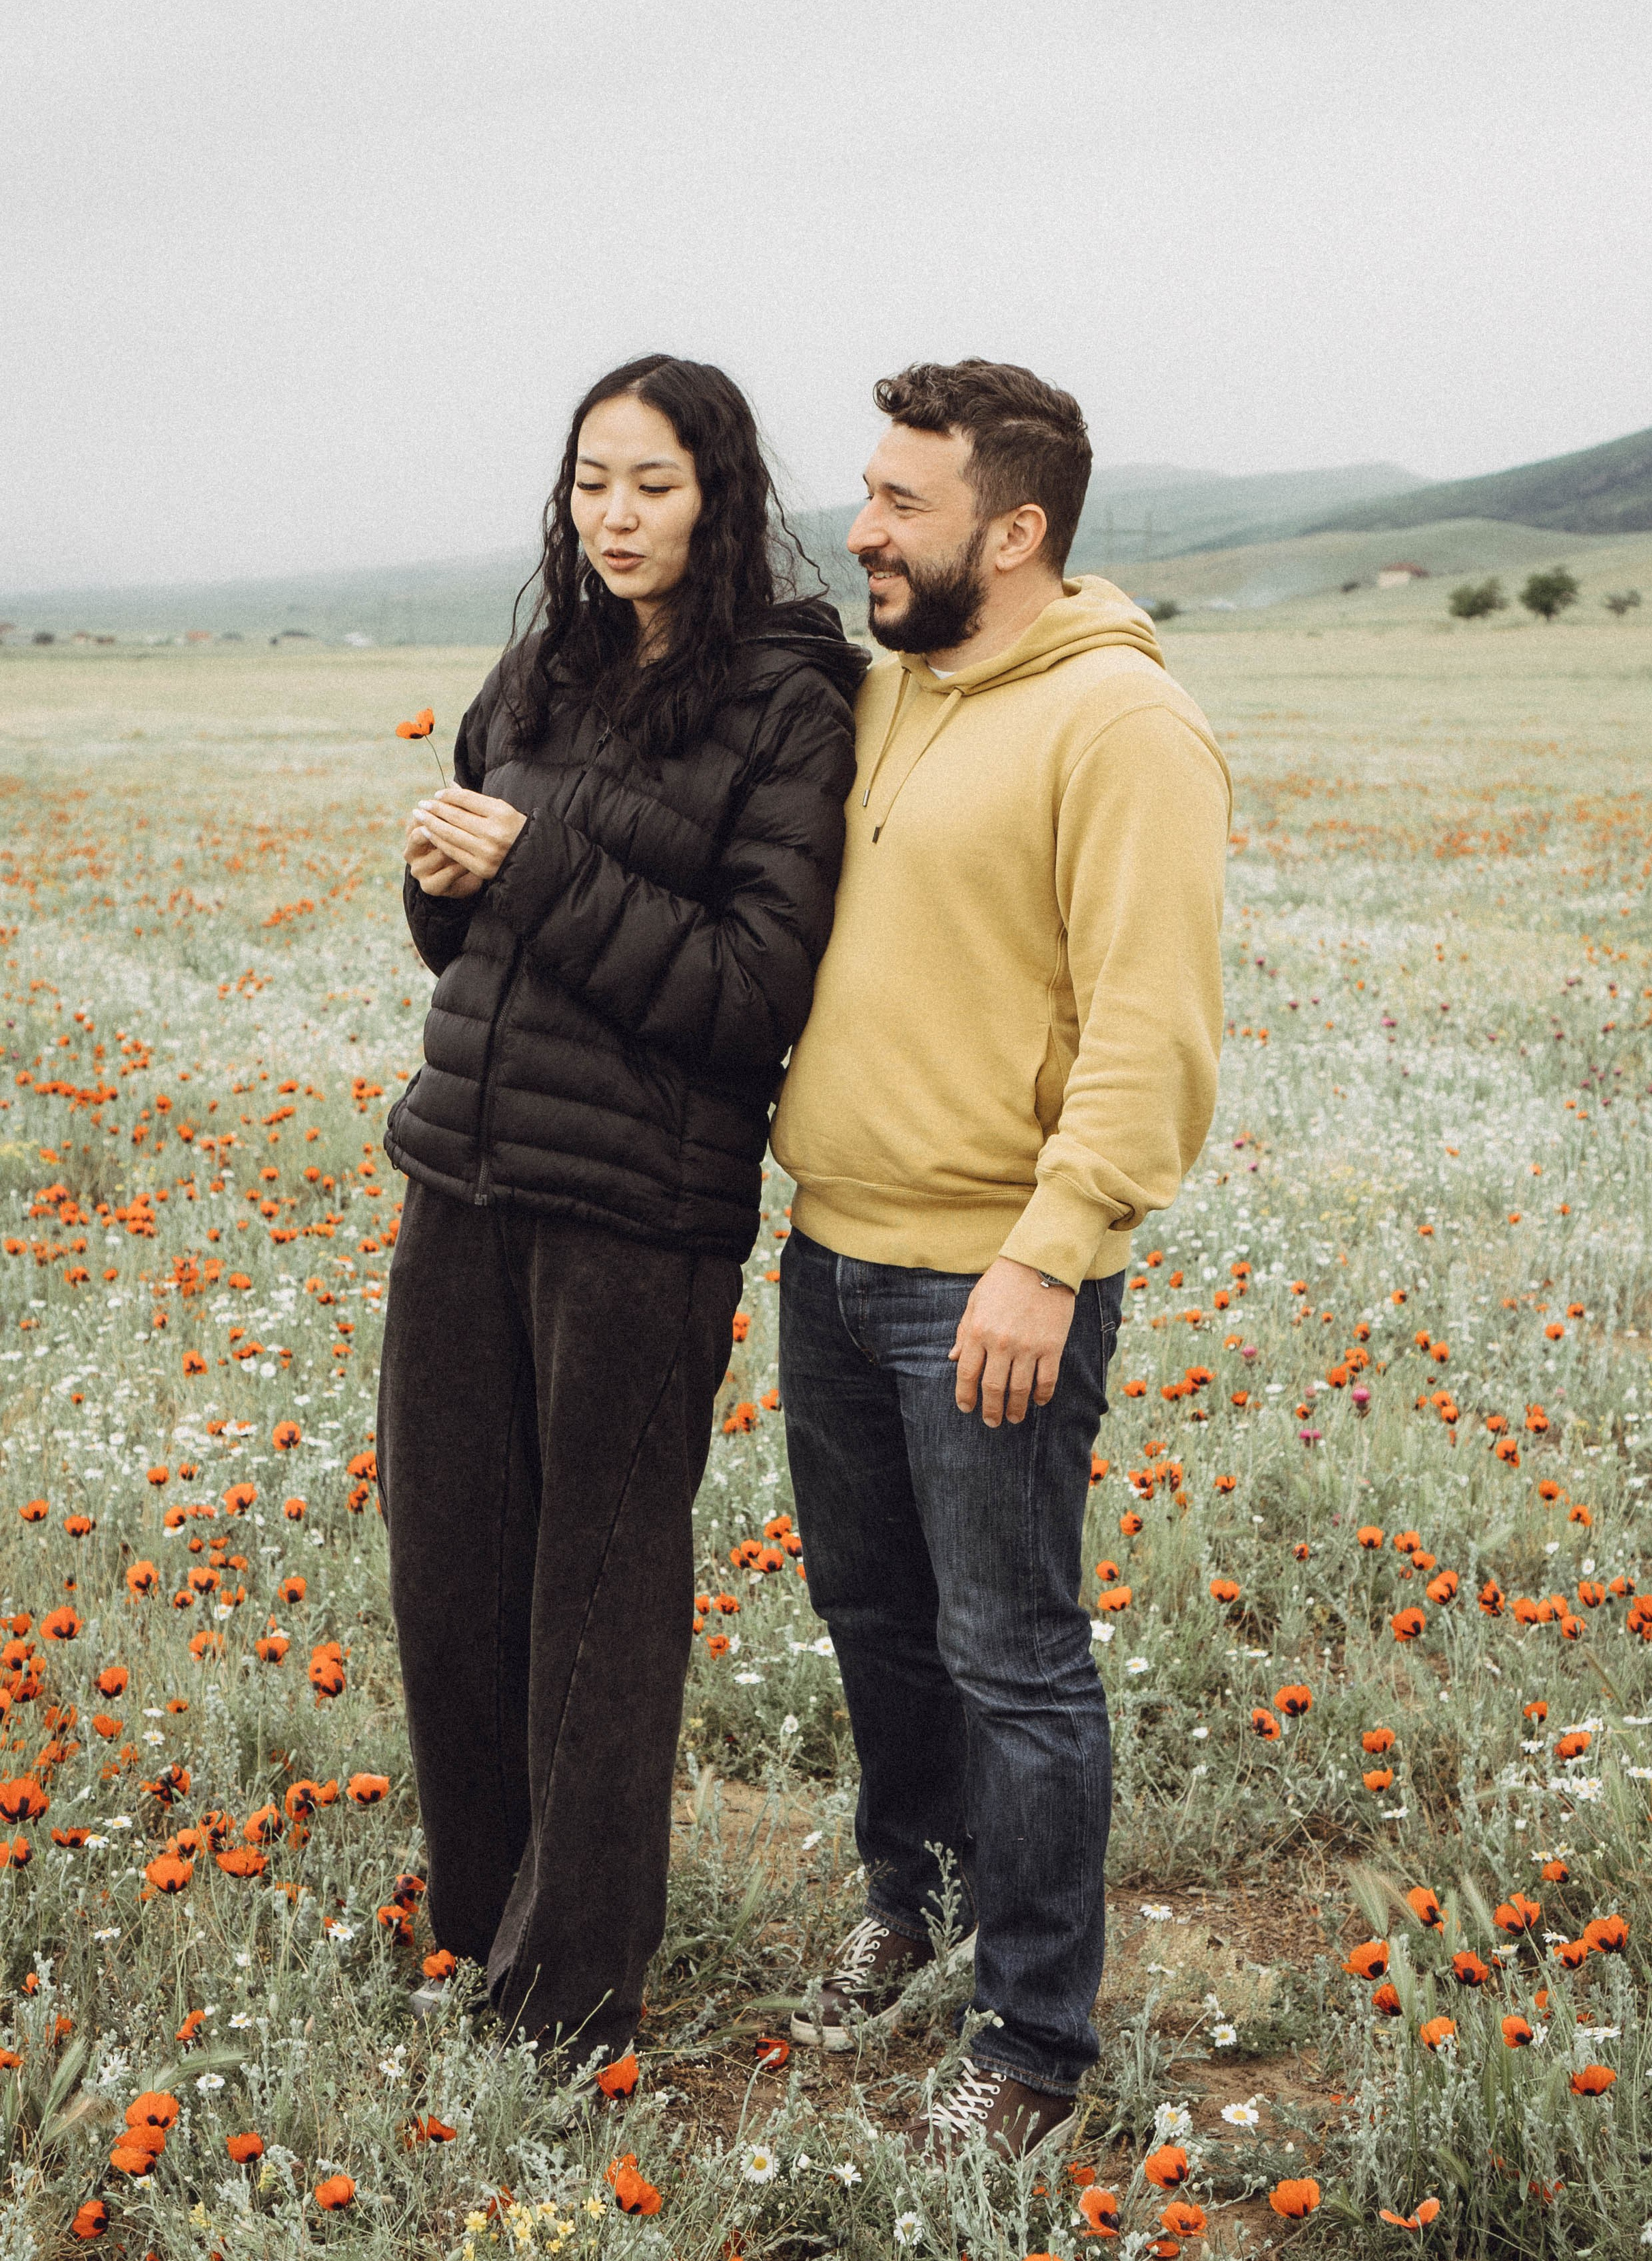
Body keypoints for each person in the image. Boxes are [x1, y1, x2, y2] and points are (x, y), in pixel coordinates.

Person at [378, 353, 866, 2064]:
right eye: (592, 481)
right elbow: (484, 939)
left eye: (651, 484)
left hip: (638, 1219)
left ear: (719, 498)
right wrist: (446, 888)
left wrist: (535, 866)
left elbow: (748, 990)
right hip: (464, 1174)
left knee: (595, 1597)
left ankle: (572, 1995)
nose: (613, 515)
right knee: (450, 1572)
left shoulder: (793, 705)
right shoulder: (538, 675)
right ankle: (479, 1932)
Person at [772, 359, 1229, 2154]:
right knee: (879, 1627)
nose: (864, 530)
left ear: (1016, 529)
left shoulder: (1123, 727)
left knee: (1013, 1655)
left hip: (989, 1285)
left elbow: (1151, 1028)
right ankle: (919, 1903)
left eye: (902, 504)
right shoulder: (896, 692)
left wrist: (1053, 1253)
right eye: (869, 493)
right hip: (827, 1253)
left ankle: (1032, 2046)